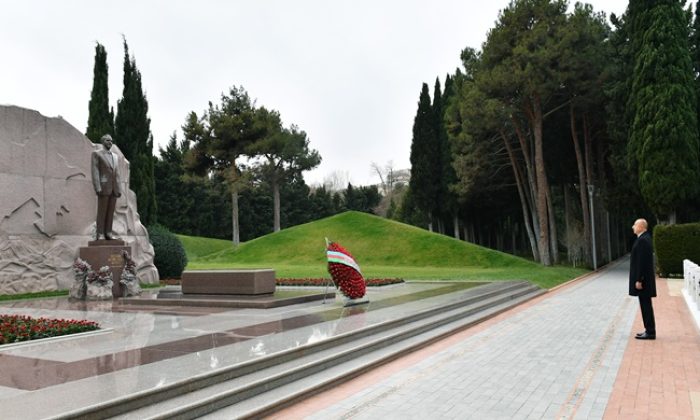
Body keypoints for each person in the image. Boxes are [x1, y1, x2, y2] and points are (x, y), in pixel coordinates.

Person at [629, 218, 656, 340]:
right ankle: (648, 330)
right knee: (645, 305)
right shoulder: (643, 239)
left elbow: (642, 262)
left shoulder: (643, 241)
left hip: (643, 281)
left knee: (646, 306)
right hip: (644, 280)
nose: (633, 227)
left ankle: (650, 332)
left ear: (642, 227)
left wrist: (639, 279)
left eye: (635, 225)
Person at [91, 134, 121, 240]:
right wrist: (97, 186)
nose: (110, 142)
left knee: (110, 212)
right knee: (102, 212)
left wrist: (119, 188)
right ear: (103, 141)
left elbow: (117, 174)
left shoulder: (115, 157)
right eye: (108, 140)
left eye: (112, 141)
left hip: (114, 188)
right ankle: (100, 233)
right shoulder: (96, 154)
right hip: (103, 187)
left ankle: (108, 232)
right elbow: (95, 171)